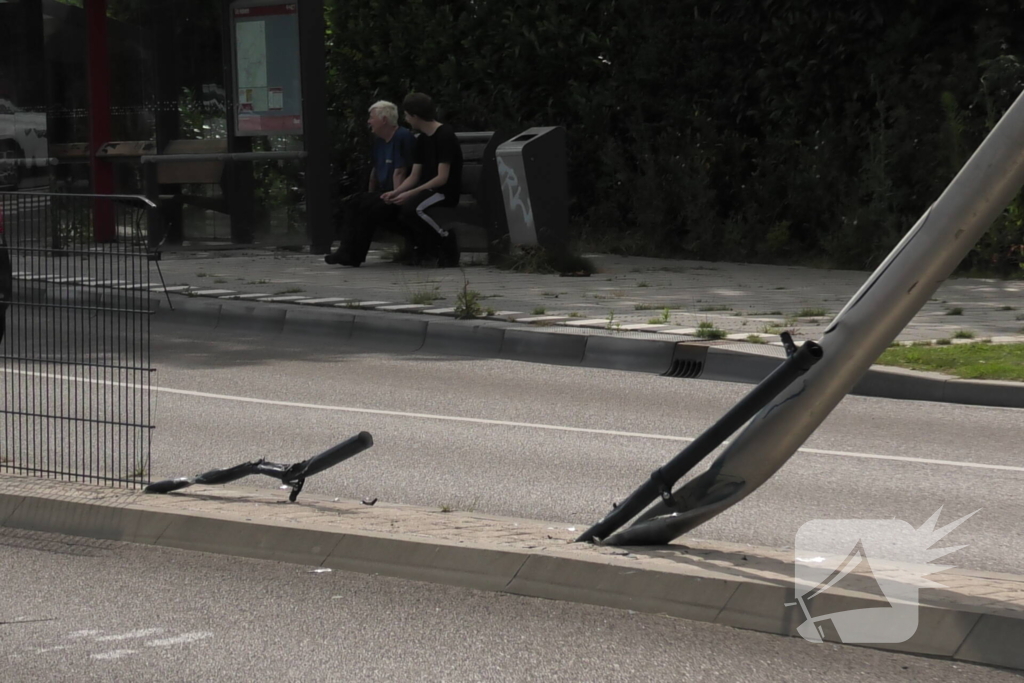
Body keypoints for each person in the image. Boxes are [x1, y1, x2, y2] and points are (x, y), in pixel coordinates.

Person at [325, 100, 415, 266]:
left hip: (399, 193)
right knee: (355, 203)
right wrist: (369, 193)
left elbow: (400, 171)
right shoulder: (379, 141)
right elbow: (375, 169)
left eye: (371, 117)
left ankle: (350, 254)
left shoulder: (402, 137)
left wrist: (396, 198)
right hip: (384, 192)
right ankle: (349, 254)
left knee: (366, 207)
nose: (368, 121)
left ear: (384, 120)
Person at [381, 93, 462, 267]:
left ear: (415, 116)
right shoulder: (422, 139)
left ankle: (446, 241)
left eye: (407, 115)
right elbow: (414, 176)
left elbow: (442, 178)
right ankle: (425, 249)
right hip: (429, 191)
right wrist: (396, 193)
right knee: (398, 207)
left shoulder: (444, 135)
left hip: (444, 192)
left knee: (413, 209)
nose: (406, 119)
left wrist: (410, 193)